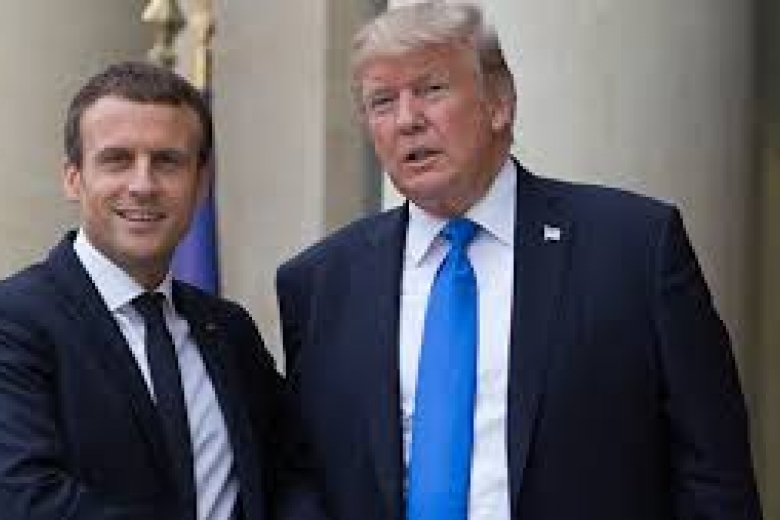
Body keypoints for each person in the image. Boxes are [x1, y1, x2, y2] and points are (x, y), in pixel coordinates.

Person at [275, 3, 762, 519]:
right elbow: (301, 475)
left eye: (431, 89)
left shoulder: (634, 250)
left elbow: (714, 477)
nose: (407, 120)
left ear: (499, 103)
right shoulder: (320, 285)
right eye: (382, 102)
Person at [0, 61, 281, 519]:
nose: (143, 185)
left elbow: (286, 472)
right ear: (73, 177)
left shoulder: (230, 332)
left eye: (167, 161)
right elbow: (25, 499)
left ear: (201, 183)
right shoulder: (13, 322)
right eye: (117, 160)